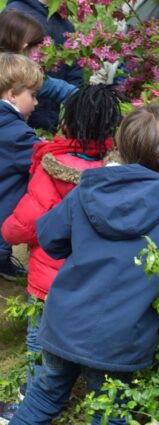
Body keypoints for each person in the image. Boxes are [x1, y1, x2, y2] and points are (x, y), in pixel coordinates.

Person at [10, 105, 159, 425]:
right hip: (118, 343)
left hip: (63, 325)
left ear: (121, 148)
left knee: (43, 398)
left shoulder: (86, 190)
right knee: (110, 415)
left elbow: (50, 238)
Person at [0, 84, 122, 424]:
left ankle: (30, 402)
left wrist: (7, 232)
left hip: (47, 285)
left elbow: (24, 224)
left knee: (40, 345)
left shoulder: (51, 168)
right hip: (96, 284)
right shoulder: (116, 174)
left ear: (67, 124)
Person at [3, 0, 84, 132]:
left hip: (42, 124)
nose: (40, 53)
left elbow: (62, 85)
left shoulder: (64, 23)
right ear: (24, 46)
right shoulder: (19, 73)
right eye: (37, 48)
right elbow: (56, 88)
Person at [0, 53, 43, 281]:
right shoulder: (18, 136)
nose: (36, 103)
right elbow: (43, 158)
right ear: (13, 95)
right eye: (33, 95)